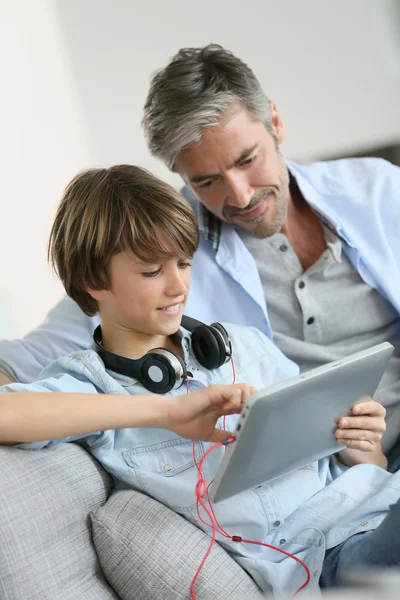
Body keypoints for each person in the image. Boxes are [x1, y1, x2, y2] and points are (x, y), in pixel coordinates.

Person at [0, 164, 396, 598]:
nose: (178, 286)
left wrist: (364, 443)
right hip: (330, 555)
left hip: (376, 501)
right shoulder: (93, 387)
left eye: (184, 263)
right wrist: (167, 412)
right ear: (93, 280)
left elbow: (368, 470)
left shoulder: (242, 345)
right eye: (152, 272)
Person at [1, 44, 399, 470]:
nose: (240, 196)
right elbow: (17, 365)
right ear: (181, 176)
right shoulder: (162, 255)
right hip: (327, 479)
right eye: (207, 181)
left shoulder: (378, 191)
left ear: (276, 123)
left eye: (248, 159)